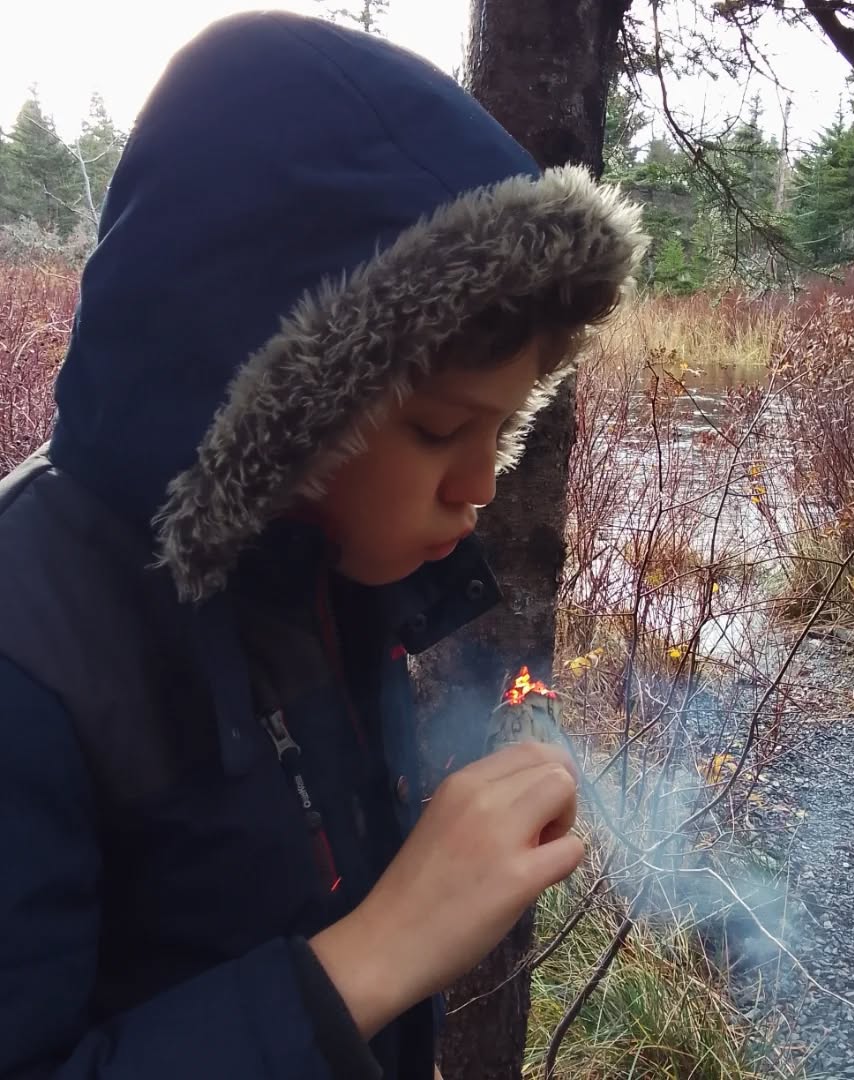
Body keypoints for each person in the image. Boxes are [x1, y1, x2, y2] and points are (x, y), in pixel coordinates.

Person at [0, 11, 644, 1080]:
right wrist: (377, 957)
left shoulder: (311, 571)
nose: (481, 486)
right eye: (441, 429)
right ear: (280, 405)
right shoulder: (32, 664)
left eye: (509, 423)